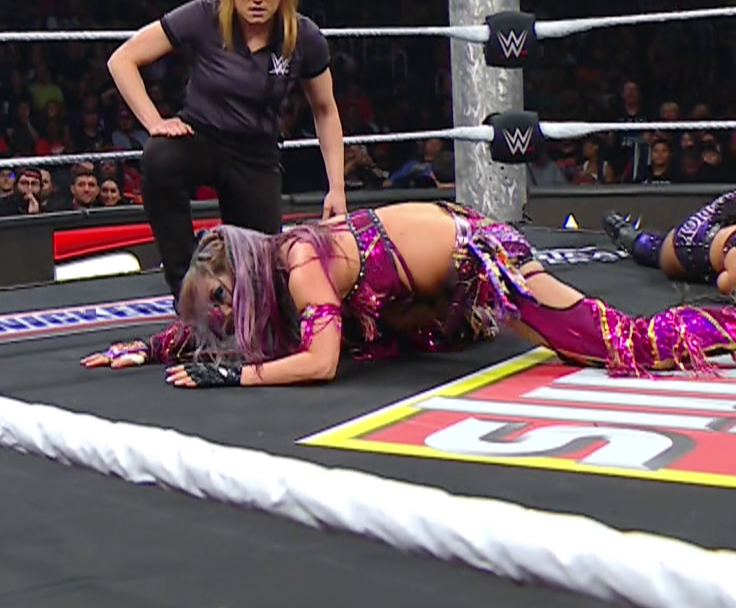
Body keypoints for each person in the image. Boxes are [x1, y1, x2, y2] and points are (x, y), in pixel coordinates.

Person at [82, 201, 736, 388]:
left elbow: (319, 363)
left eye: (222, 299)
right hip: (432, 297)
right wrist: (154, 346)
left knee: (615, 344)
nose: (223, 317)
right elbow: (228, 320)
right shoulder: (272, 268)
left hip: (483, 258)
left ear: (244, 273)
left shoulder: (300, 262)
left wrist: (234, 374)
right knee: (362, 334)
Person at [107, 0, 346, 298]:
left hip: (256, 153)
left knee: (264, 281)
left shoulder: (302, 36)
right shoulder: (205, 16)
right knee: (159, 158)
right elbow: (122, 59)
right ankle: (186, 290)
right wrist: (155, 122)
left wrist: (337, 188)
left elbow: (325, 110)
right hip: (201, 136)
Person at [602, 192, 736, 293]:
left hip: (720, 224)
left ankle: (632, 236)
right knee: (659, 250)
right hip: (691, 242)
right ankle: (633, 238)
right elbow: (724, 283)